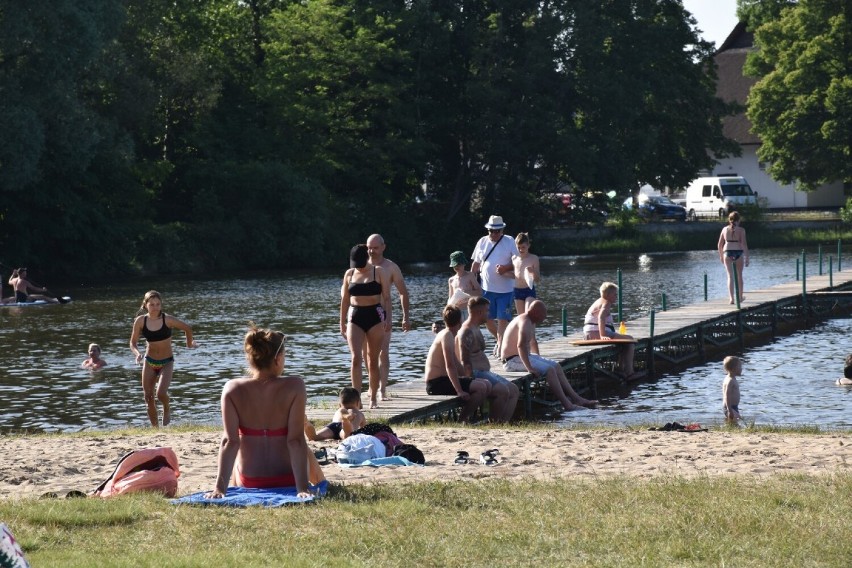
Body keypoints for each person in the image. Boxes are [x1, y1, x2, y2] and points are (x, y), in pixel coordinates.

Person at [205, 326, 318, 499]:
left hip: (249, 481)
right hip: (288, 479)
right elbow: (295, 441)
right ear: (278, 359)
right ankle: (316, 483)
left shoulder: (231, 389)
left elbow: (229, 442)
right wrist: (301, 488)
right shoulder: (295, 386)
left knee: (238, 455)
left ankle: (228, 485)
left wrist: (219, 489)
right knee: (306, 450)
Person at [501, 300, 597, 411]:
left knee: (556, 366)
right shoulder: (524, 322)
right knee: (550, 370)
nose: (544, 318)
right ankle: (567, 405)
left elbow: (533, 342)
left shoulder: (531, 321)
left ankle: (577, 399)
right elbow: (521, 346)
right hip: (511, 361)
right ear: (536, 313)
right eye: (543, 315)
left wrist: (539, 360)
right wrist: (530, 368)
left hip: (522, 356)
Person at [129, 290, 196, 427]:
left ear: (161, 305)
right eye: (152, 304)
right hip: (149, 361)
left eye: (158, 304)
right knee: (148, 397)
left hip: (167, 362)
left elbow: (187, 328)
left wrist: (189, 344)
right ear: (145, 305)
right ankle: (156, 429)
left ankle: (166, 408)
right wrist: (137, 354)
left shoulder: (168, 319)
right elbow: (133, 342)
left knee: (160, 394)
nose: (155, 307)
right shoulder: (141, 321)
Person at [341, 244, 391, 409]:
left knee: (372, 360)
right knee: (356, 358)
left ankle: (373, 399)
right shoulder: (349, 274)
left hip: (375, 317)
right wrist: (341, 322)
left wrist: (388, 319)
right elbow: (345, 300)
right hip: (355, 316)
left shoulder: (379, 272)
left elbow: (387, 298)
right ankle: (357, 400)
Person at [456, 296, 520, 422]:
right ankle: (494, 424)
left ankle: (502, 424)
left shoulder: (476, 327)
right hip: (476, 374)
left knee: (514, 390)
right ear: (479, 312)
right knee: (503, 391)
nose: (489, 314)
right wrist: (469, 383)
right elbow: (464, 361)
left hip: (484, 372)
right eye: (487, 311)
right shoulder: (466, 331)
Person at [424, 305, 490, 423]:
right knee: (481, 387)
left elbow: (456, 363)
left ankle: (477, 417)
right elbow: (450, 365)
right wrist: (459, 390)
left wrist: (469, 378)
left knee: (486, 383)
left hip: (443, 380)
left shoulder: (448, 334)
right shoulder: (447, 336)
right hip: (436, 384)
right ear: (460, 321)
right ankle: (462, 420)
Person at [365, 233, 411, 401]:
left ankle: (382, 389)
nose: (371, 251)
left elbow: (402, 293)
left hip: (382, 315)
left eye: (375, 248)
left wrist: (405, 316)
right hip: (363, 313)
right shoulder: (362, 265)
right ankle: (372, 386)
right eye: (369, 247)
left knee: (383, 351)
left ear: (383, 247)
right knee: (367, 354)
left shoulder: (391, 267)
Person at [470, 215, 520, 355]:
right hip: (486, 289)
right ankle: (502, 341)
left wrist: (505, 268)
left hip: (506, 290)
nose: (494, 234)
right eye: (492, 231)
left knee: (503, 319)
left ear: (502, 230)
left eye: (497, 231)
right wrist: (470, 281)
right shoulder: (482, 242)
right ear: (488, 230)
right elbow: (475, 264)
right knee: (487, 319)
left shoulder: (509, 241)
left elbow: (518, 262)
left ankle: (500, 347)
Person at [583, 282, 643, 381]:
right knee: (630, 341)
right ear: (607, 295)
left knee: (623, 343)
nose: (616, 297)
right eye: (614, 294)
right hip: (596, 333)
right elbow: (601, 318)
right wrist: (602, 335)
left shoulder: (599, 301)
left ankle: (620, 369)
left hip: (589, 333)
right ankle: (629, 372)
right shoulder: (606, 303)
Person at [512, 232, 540, 351]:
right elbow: (514, 275)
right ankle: (525, 351)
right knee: (522, 321)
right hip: (517, 291)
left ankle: (536, 352)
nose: (521, 249)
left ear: (528, 245)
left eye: (523, 247)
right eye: (518, 247)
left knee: (530, 318)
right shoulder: (514, 258)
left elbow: (538, 279)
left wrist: (533, 272)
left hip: (529, 290)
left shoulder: (533, 258)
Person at [718, 211, 749, 304]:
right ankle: (740, 297)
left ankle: (731, 298)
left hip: (727, 252)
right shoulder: (741, 230)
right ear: (738, 220)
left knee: (730, 276)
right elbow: (743, 244)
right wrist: (747, 257)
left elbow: (719, 244)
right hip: (738, 252)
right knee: (739, 276)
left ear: (729, 219)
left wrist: (720, 256)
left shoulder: (724, 229)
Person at [447, 250, 482, 322]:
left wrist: (466, 292)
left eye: (459, 264)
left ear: (464, 264)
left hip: (468, 310)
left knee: (470, 331)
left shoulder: (470, 276)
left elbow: (480, 292)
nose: (456, 266)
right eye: (454, 265)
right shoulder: (451, 280)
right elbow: (450, 298)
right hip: (456, 311)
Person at [722, 355, 743, 422]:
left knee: (733, 422)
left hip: (733, 406)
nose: (741, 369)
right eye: (740, 367)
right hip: (730, 407)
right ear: (734, 368)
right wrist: (729, 410)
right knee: (736, 420)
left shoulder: (732, 379)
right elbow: (726, 396)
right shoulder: (730, 380)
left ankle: (728, 425)